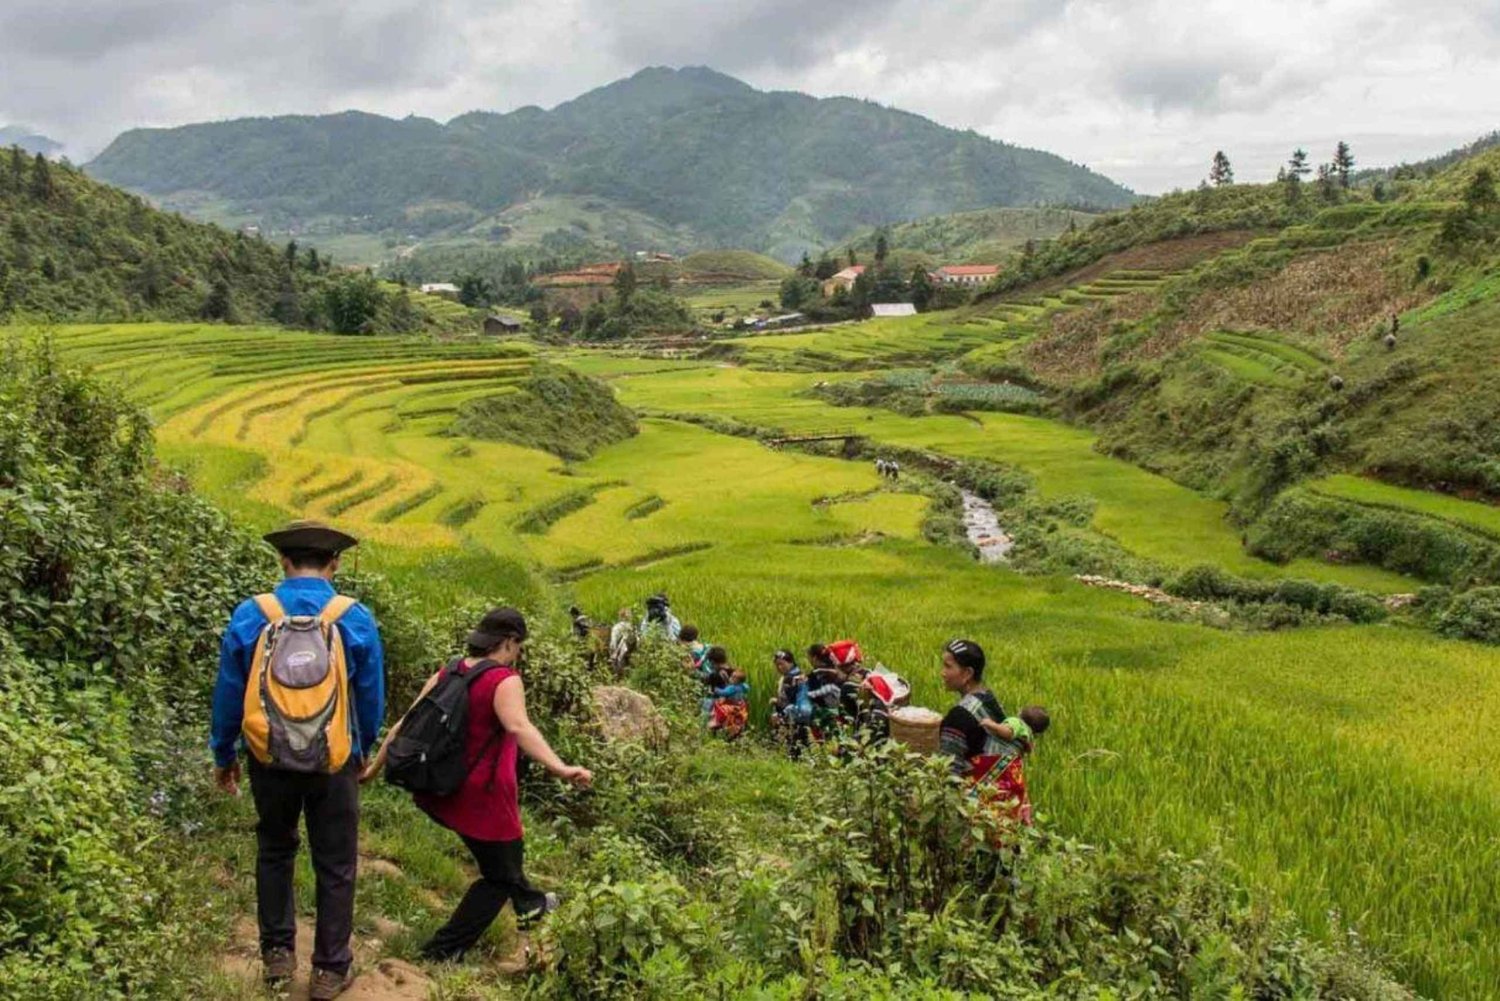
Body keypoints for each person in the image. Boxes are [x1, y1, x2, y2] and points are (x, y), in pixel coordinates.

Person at [211, 520, 385, 1000]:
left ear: (283, 562)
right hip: (334, 760)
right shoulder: (354, 618)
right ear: (335, 564)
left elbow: (228, 693)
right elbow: (370, 698)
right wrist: (362, 748)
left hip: (268, 756)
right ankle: (329, 971)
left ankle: (276, 955)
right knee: (336, 862)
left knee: (274, 848)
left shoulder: (253, 614)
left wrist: (224, 754)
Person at [361, 607, 592, 962]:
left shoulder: (448, 671)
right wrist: (561, 768)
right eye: (518, 645)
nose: (518, 653)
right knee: (500, 875)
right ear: (510, 642)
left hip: (443, 790)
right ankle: (440, 952)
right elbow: (519, 727)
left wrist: (372, 769)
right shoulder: (504, 679)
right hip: (485, 799)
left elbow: (405, 724)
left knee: (504, 865)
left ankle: (532, 903)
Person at [936, 639, 1006, 780]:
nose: (942, 673)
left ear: (968, 673)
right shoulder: (989, 699)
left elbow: (948, 772)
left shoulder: (959, 716)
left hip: (973, 797)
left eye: (948, 667)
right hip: (1001, 791)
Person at [978, 705, 1050, 826]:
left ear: (1020, 713)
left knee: (985, 788)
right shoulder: (1029, 736)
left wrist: (992, 724)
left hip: (996, 760)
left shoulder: (1017, 722)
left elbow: (1008, 733)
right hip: (1012, 768)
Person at [769, 649, 811, 756]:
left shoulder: (796, 678)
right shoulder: (788, 677)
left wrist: (777, 704)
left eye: (782, 664)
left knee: (794, 750)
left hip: (794, 718)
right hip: (788, 717)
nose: (779, 667)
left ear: (791, 662)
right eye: (777, 665)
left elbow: (796, 701)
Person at [708, 667, 750, 738]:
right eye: (732, 676)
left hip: (730, 704)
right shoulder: (743, 687)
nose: (731, 678)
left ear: (738, 680)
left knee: (718, 708)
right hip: (739, 705)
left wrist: (716, 690)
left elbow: (724, 693)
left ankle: (717, 723)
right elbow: (747, 688)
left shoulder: (733, 688)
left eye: (733, 677)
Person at [608, 607, 636, 676]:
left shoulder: (617, 627)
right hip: (629, 648)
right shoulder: (632, 627)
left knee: (624, 640)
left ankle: (617, 670)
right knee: (624, 640)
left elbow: (613, 642)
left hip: (620, 649)